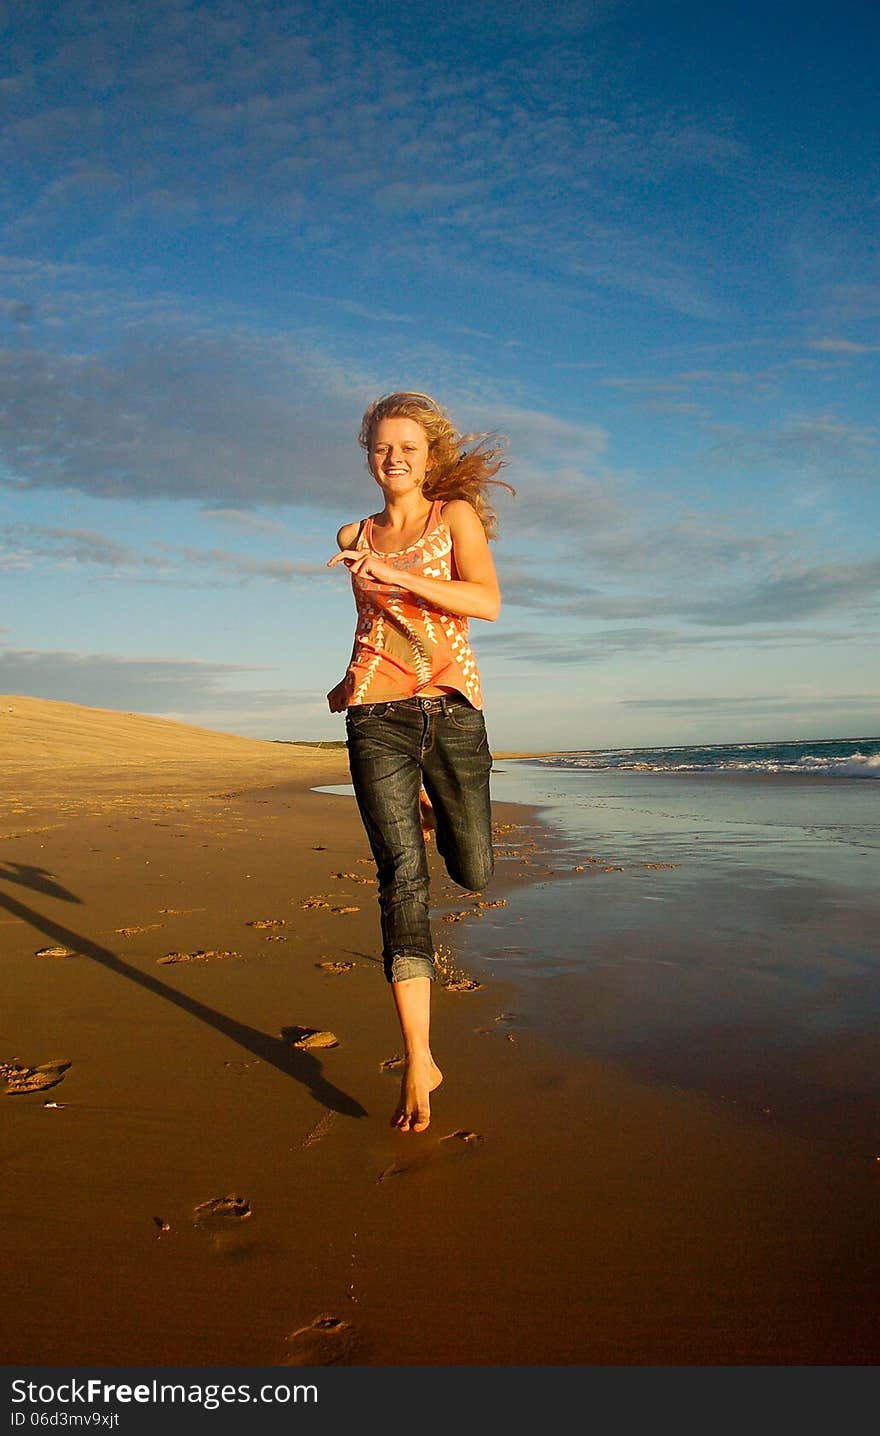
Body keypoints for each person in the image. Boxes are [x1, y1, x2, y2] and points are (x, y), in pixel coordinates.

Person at [326, 391, 512, 1134]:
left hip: (453, 715)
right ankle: (417, 1058)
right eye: (381, 445)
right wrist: (348, 684)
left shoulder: (452, 520)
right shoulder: (353, 531)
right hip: (378, 717)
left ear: (429, 456)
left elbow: (486, 603)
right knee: (400, 878)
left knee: (475, 871)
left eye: (407, 446)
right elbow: (372, 620)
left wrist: (397, 574)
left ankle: (438, 806)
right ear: (368, 453)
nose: (393, 456)